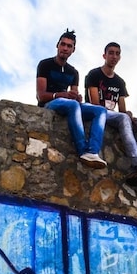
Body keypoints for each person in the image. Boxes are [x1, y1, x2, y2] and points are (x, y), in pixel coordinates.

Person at [85, 42, 137, 186]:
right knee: (122, 117)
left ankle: (136, 169)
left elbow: (122, 109)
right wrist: (123, 115)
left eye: (117, 53)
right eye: (111, 53)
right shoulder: (94, 74)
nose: (114, 56)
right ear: (104, 55)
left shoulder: (119, 82)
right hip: (97, 113)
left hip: (115, 116)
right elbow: (94, 103)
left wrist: (129, 114)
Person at [36, 29, 108, 169]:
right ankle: (83, 151)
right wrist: (59, 95)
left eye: (69, 46)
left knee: (100, 110)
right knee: (73, 106)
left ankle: (93, 151)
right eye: (63, 44)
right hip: (50, 103)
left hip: (68, 103)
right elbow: (41, 95)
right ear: (57, 45)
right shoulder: (45, 64)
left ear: (73, 50)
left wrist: (77, 96)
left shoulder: (73, 72)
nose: (65, 48)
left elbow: (74, 94)